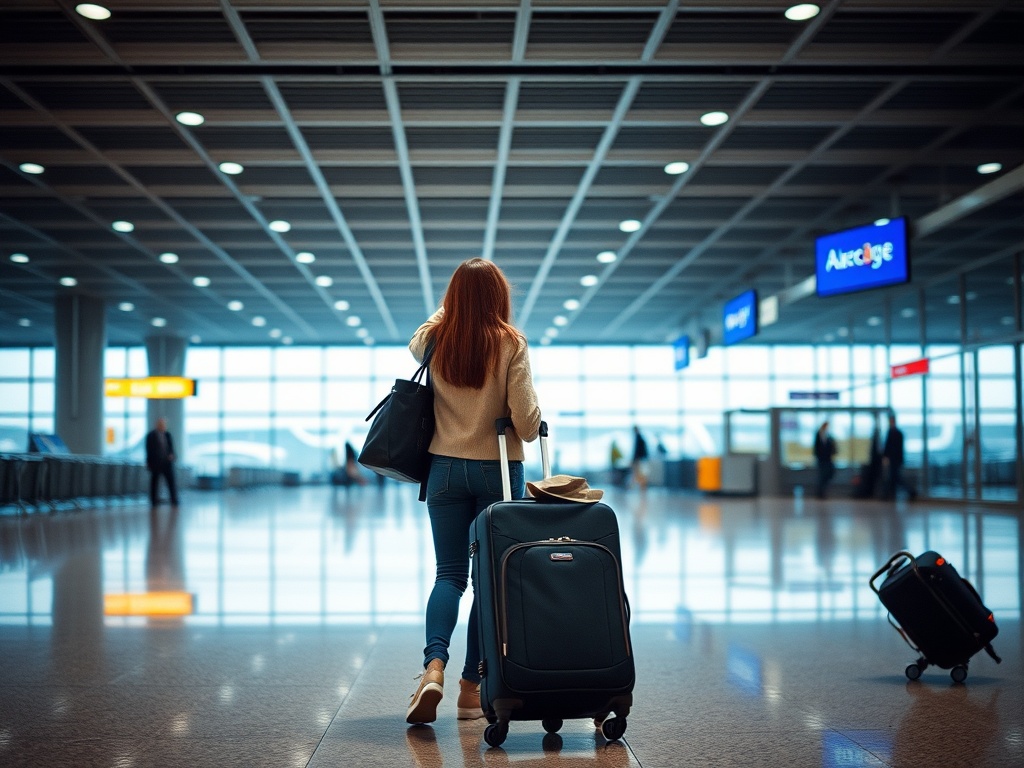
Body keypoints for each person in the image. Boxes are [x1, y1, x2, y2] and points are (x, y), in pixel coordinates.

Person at [405, 258, 541, 725]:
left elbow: (419, 334)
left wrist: (449, 311)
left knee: (449, 576)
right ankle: (470, 687)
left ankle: (433, 667)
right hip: (497, 475)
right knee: (489, 580)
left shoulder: (435, 339)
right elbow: (525, 421)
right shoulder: (511, 343)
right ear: (500, 296)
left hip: (443, 471)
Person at [145, 417, 179, 507]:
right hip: (156, 463)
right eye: (161, 424)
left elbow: (171, 447)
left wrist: (172, 455)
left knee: (171, 481)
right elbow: (148, 450)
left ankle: (174, 499)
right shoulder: (151, 435)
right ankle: (153, 500)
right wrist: (149, 462)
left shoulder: (168, 435)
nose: (163, 426)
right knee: (154, 482)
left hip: (167, 462)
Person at [882, 414, 917, 501]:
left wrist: (886, 456)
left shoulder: (895, 433)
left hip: (896, 460)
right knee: (894, 478)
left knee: (896, 478)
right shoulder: (894, 433)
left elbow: (891, 448)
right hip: (895, 460)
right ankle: (891, 495)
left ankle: (910, 492)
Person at [813, 421, 837, 499]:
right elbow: (816, 448)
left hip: (828, 460)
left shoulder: (829, 436)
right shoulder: (818, 435)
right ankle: (820, 493)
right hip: (821, 460)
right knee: (822, 476)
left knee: (827, 475)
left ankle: (823, 492)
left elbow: (832, 448)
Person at [631, 425, 649, 492]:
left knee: (641, 473)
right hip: (642, 459)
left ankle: (643, 487)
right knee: (641, 473)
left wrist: (635, 459)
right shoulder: (640, 438)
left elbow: (637, 450)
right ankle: (642, 487)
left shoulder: (639, 438)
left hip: (640, 459)